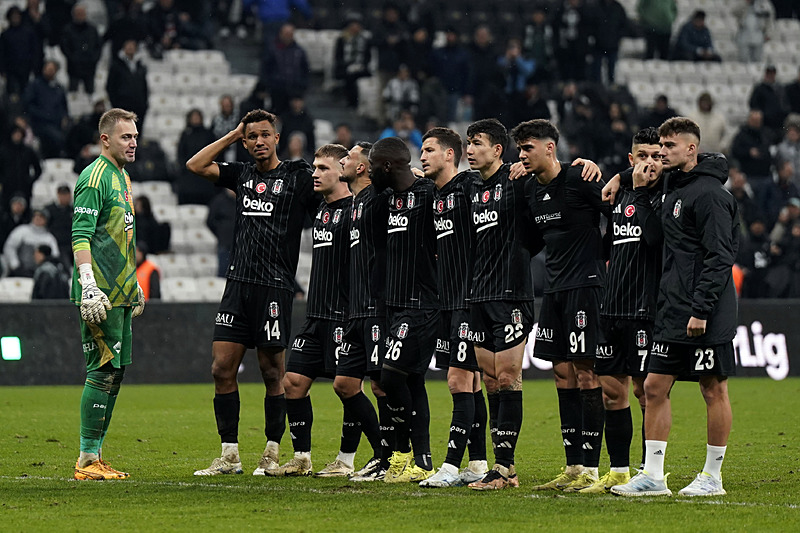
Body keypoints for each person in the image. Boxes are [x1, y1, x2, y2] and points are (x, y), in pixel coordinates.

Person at [187, 109, 319, 476]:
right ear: (245, 143)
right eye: (252, 137)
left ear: (277, 138)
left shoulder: (297, 177)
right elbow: (195, 165)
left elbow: (329, 196)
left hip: (275, 289)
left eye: (265, 135)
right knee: (221, 368)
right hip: (237, 287)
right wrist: (231, 135)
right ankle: (229, 456)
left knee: (272, 372)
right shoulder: (241, 175)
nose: (259, 141)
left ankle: (272, 452)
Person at [612, 117, 738, 497]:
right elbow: (653, 238)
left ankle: (712, 478)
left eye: (669, 146)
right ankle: (653, 476)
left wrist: (700, 310)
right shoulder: (670, 187)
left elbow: (720, 257)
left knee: (712, 388)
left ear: (690, 149)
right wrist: (626, 182)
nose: (662, 152)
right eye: (659, 146)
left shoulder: (711, 195)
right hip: (670, 310)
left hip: (704, 312)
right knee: (653, 386)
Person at [516, 119, 608, 493]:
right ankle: (573, 466)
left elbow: (615, 216)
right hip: (553, 292)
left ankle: (592, 468)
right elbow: (532, 239)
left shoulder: (579, 178)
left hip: (585, 288)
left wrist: (602, 260)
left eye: (528, 148)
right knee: (561, 375)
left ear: (550, 147)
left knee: (587, 375)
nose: (522, 155)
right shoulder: (530, 191)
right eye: (519, 149)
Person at [581, 128, 665, 493]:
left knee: (646, 393)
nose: (649, 162)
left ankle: (651, 472)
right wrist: (610, 174)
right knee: (611, 393)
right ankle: (618, 471)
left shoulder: (665, 195)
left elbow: (655, 240)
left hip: (646, 310)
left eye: (656, 155)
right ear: (631, 160)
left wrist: (642, 190)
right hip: (611, 307)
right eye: (642, 155)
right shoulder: (617, 194)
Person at [269, 144, 354, 476]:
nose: (315, 175)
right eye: (314, 168)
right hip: (315, 313)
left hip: (344, 315)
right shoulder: (321, 209)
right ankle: (302, 456)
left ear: (342, 172)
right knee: (293, 382)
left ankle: (346, 460)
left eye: (323, 169)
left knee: (348, 388)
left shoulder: (357, 210)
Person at [463, 118, 537, 490]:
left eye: (476, 143)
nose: (469, 149)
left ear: (497, 149)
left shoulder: (518, 178)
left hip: (511, 293)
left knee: (509, 376)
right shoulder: (472, 186)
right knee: (490, 380)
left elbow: (553, 179)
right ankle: (502, 467)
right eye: (467, 143)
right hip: (479, 295)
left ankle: (505, 466)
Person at [71, 108, 144, 480]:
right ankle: (86, 458)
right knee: (101, 371)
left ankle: (95, 456)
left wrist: (134, 282)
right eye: (126, 137)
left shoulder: (124, 177)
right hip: (99, 292)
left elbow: (120, 235)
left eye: (135, 136)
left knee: (115, 373)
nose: (133, 142)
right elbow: (80, 235)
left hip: (121, 292)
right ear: (105, 139)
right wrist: (88, 285)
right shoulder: (94, 177)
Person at [416, 128, 489, 488]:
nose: (422, 156)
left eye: (429, 150)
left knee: (458, 379)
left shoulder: (470, 187)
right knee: (471, 383)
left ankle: (449, 465)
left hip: (469, 300)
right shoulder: (434, 195)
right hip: (447, 302)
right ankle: (477, 464)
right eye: (420, 151)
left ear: (450, 154)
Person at [368, 136, 438, 483]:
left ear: (386, 166)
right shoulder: (383, 203)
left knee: (391, 374)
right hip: (393, 305)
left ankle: (404, 452)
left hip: (422, 304)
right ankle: (419, 460)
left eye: (370, 167)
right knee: (412, 379)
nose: (367, 173)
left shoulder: (429, 195)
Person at [335, 141, 390, 482]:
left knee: (381, 386)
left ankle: (392, 456)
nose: (343, 159)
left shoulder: (378, 200)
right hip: (355, 309)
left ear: (362, 167)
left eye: (349, 156)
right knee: (344, 384)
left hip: (375, 307)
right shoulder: (354, 203)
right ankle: (382, 452)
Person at [23, 60, 69, 158]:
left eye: (52, 69)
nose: (50, 71)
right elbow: (28, 105)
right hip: (40, 123)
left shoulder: (59, 88)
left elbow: (64, 107)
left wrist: (64, 117)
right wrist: (43, 115)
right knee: (55, 137)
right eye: (48, 69)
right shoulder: (35, 85)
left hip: (56, 123)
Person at [107, 40, 149, 134]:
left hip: (138, 107)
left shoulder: (140, 66)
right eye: (128, 45)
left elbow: (144, 87)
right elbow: (110, 87)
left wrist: (144, 104)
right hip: (122, 105)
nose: (130, 48)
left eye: (132, 46)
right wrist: (116, 104)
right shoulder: (116, 65)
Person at [3, 209, 60, 277]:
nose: (38, 218)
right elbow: (9, 247)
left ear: (46, 220)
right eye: (36, 216)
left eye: (41, 217)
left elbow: (55, 255)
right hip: (19, 272)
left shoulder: (49, 238)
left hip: (41, 274)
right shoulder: (22, 231)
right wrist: (15, 265)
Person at [60, 4, 102, 94]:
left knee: (91, 93)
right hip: (74, 67)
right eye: (78, 13)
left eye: (82, 13)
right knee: (72, 93)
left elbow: (98, 46)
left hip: (89, 67)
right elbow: (64, 46)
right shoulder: (68, 29)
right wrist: (72, 58)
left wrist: (94, 58)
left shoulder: (92, 29)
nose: (80, 15)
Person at [44, 184, 74, 267]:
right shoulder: (49, 209)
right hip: (56, 243)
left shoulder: (74, 210)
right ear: (58, 195)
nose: (64, 197)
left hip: (72, 243)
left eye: (66, 194)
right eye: (62, 194)